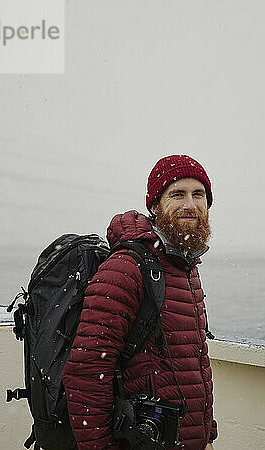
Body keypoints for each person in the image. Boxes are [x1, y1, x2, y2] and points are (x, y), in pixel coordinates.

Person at [62, 155, 217, 450]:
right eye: (177, 194)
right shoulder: (127, 267)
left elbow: (195, 361)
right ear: (155, 206)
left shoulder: (185, 267)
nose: (190, 204)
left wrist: (207, 435)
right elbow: (86, 373)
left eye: (199, 195)